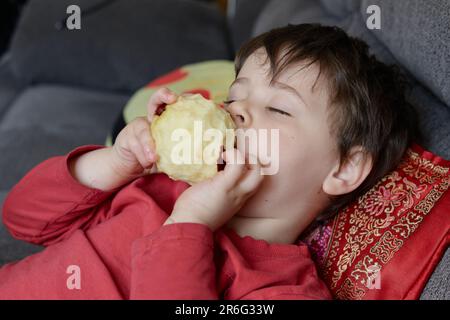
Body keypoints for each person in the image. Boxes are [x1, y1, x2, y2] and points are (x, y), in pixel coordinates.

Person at [0, 24, 417, 299]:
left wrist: (190, 226)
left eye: (279, 110)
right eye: (235, 97)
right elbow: (22, 219)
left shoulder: (279, 290)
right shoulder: (159, 187)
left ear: (343, 168)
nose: (236, 112)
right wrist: (113, 164)